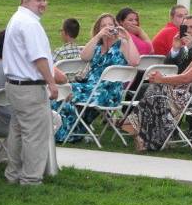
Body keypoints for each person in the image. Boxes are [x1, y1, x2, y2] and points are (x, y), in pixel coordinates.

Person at [126, 21, 192, 152]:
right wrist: (162, 80)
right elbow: (184, 76)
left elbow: (186, 78)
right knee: (157, 90)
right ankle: (146, 137)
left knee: (158, 91)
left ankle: (138, 129)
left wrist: (162, 79)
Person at [54, 13, 140, 142]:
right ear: (98, 28)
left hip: (109, 93)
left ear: (116, 27)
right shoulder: (98, 46)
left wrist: (128, 37)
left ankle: (65, 133)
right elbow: (84, 56)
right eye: (104, 25)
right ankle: (65, 131)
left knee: (66, 92)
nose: (108, 28)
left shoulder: (122, 44)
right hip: (90, 88)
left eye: (110, 25)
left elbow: (135, 62)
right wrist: (99, 36)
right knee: (61, 93)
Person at [2, 0, 57, 186]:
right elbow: (39, 58)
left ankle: (13, 174)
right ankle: (31, 179)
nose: (42, 3)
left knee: (17, 132)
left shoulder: (17, 19)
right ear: (25, 1)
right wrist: (51, 83)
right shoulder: (29, 23)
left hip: (15, 85)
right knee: (35, 134)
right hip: (29, 87)